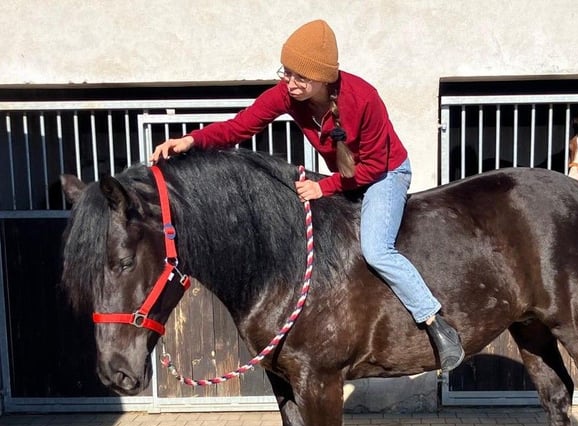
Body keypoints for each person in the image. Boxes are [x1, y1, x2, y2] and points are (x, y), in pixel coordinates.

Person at [151, 19, 464, 371]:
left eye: (300, 77)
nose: (290, 83)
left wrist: (323, 187)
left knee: (376, 249)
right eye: (287, 72)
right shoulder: (287, 95)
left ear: (324, 78)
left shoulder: (364, 99)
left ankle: (435, 321)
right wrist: (192, 140)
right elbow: (242, 126)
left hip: (385, 174)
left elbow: (375, 167)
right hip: (345, 178)